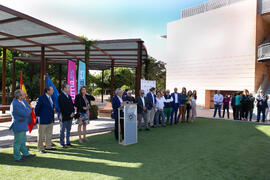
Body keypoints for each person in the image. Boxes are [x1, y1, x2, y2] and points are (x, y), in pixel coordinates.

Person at [10, 89, 35, 162]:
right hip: (18, 125)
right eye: (24, 94)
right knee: (17, 142)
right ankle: (17, 157)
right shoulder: (14, 104)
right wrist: (28, 110)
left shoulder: (23, 101)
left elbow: (28, 109)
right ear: (20, 96)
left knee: (23, 141)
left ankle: (26, 153)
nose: (25, 95)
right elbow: (26, 113)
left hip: (23, 124)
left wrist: (28, 109)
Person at [35, 86, 56, 153]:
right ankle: (40, 148)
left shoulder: (51, 98)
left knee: (49, 134)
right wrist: (40, 117)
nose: (53, 91)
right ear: (47, 91)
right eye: (52, 90)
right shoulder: (41, 98)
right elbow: (36, 109)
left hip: (50, 120)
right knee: (41, 135)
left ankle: (48, 146)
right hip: (43, 120)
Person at [58, 83, 75, 148]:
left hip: (70, 116)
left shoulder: (69, 96)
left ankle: (67, 142)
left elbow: (71, 106)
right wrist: (69, 114)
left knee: (68, 130)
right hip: (64, 116)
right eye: (68, 87)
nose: (69, 88)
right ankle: (62, 143)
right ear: (64, 88)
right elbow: (62, 107)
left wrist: (73, 112)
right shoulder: (60, 96)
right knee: (62, 130)